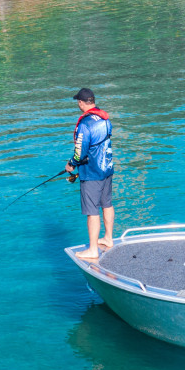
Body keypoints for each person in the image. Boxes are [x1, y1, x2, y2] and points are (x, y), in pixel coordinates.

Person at [66, 88, 114, 261]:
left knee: (92, 211)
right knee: (107, 204)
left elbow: (80, 151)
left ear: (81, 102)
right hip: (107, 169)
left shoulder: (85, 124)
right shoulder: (104, 118)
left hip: (92, 173)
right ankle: (108, 238)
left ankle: (93, 249)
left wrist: (71, 164)